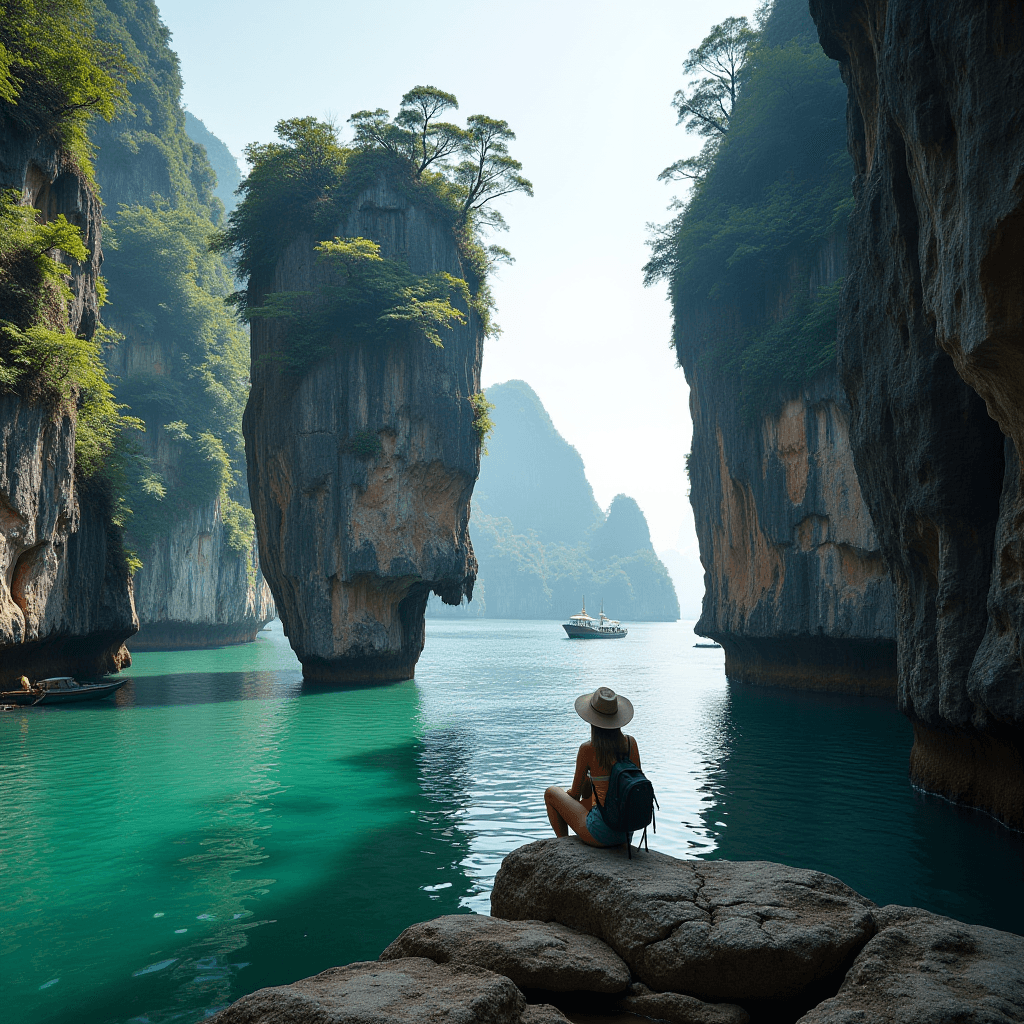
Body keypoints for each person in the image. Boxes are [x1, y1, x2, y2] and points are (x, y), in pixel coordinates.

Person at [544, 686, 640, 848]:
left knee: (551, 793)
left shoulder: (587, 749)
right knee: (589, 783)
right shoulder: (631, 743)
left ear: (592, 719)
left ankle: (563, 848)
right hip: (626, 831)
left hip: (600, 833)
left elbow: (574, 795)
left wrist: (566, 797)